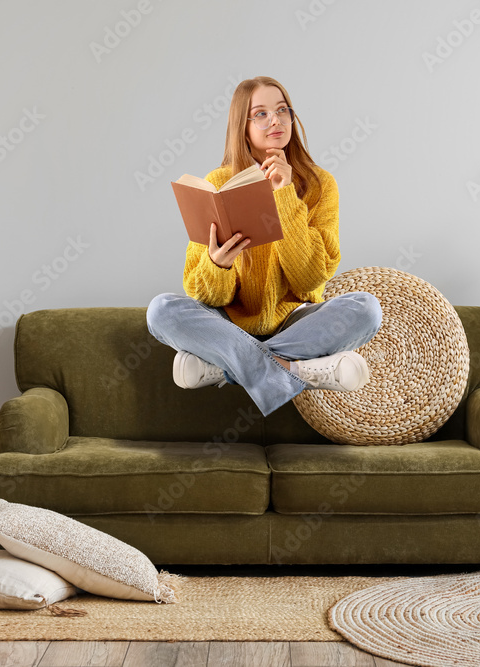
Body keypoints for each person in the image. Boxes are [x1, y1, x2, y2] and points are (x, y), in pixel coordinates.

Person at [147, 76, 382, 417]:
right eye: (260, 114)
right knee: (161, 311)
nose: (275, 120)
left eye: (282, 110)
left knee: (366, 309)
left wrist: (285, 194)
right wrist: (218, 265)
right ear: (242, 127)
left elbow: (310, 279)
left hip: (296, 321)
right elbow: (205, 296)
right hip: (228, 322)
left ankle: (222, 370)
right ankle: (296, 371)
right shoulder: (216, 183)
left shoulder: (320, 185)